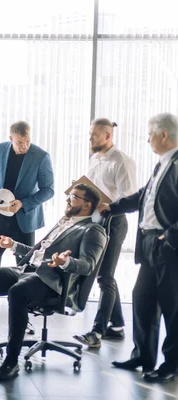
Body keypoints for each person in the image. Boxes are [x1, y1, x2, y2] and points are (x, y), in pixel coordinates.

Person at [0, 184, 106, 382]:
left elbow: (88, 265)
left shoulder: (93, 230)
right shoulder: (63, 222)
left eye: (73, 197)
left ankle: (11, 362)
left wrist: (66, 262)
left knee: (17, 292)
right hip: (25, 270)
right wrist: (12, 245)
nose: (67, 200)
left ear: (86, 205)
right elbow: (38, 253)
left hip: (51, 282)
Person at [106, 113, 178, 382]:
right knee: (143, 298)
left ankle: (171, 364)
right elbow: (143, 197)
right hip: (148, 242)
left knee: (173, 306)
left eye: (150, 134)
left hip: (167, 245)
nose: (147, 139)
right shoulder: (162, 164)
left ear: (163, 135)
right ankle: (143, 355)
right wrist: (112, 208)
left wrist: (170, 236)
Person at [73, 119, 137, 348]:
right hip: (95, 223)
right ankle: (117, 325)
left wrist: (105, 203)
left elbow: (129, 199)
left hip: (114, 223)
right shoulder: (95, 158)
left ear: (108, 136)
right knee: (103, 275)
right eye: (90, 134)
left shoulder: (121, 161)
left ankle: (97, 332)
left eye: (94, 136)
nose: (90, 139)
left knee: (104, 276)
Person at [0, 121, 55, 323]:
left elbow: (48, 190)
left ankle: (22, 319)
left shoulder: (41, 156)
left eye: (27, 141)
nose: (24, 146)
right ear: (10, 139)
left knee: (24, 269)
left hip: (24, 220)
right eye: (20, 142)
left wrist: (23, 204)